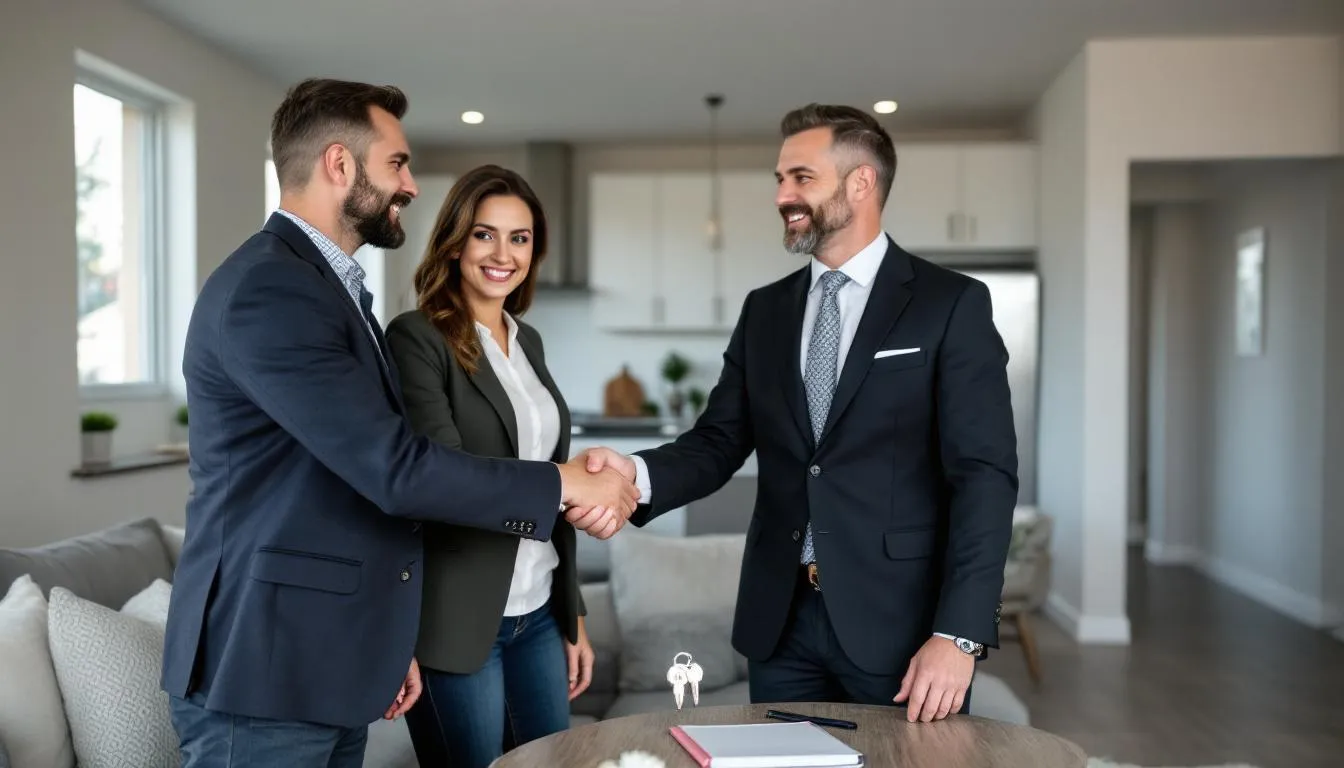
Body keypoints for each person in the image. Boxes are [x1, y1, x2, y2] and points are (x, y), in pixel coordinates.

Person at [161, 79, 637, 768]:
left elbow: (349, 483)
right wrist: (564, 482)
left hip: (324, 656)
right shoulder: (272, 288)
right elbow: (396, 470)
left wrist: (387, 638)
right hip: (265, 666)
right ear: (339, 164)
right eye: (398, 163)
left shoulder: (329, 288)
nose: (410, 184)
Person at [580, 103, 1018, 723]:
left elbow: (984, 477)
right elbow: (719, 440)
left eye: (801, 178)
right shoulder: (765, 310)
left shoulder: (950, 304)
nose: (783, 195)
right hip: (780, 623)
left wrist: (960, 634)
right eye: (780, 179)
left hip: (902, 624)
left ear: (861, 182)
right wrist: (634, 473)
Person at [381, 165, 593, 767]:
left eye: (519, 238)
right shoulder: (417, 339)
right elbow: (442, 480)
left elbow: (548, 478)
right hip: (458, 619)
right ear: (454, 242)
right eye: (484, 234)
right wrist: (569, 482)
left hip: (540, 615)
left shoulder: (528, 342)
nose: (503, 254)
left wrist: (572, 614)